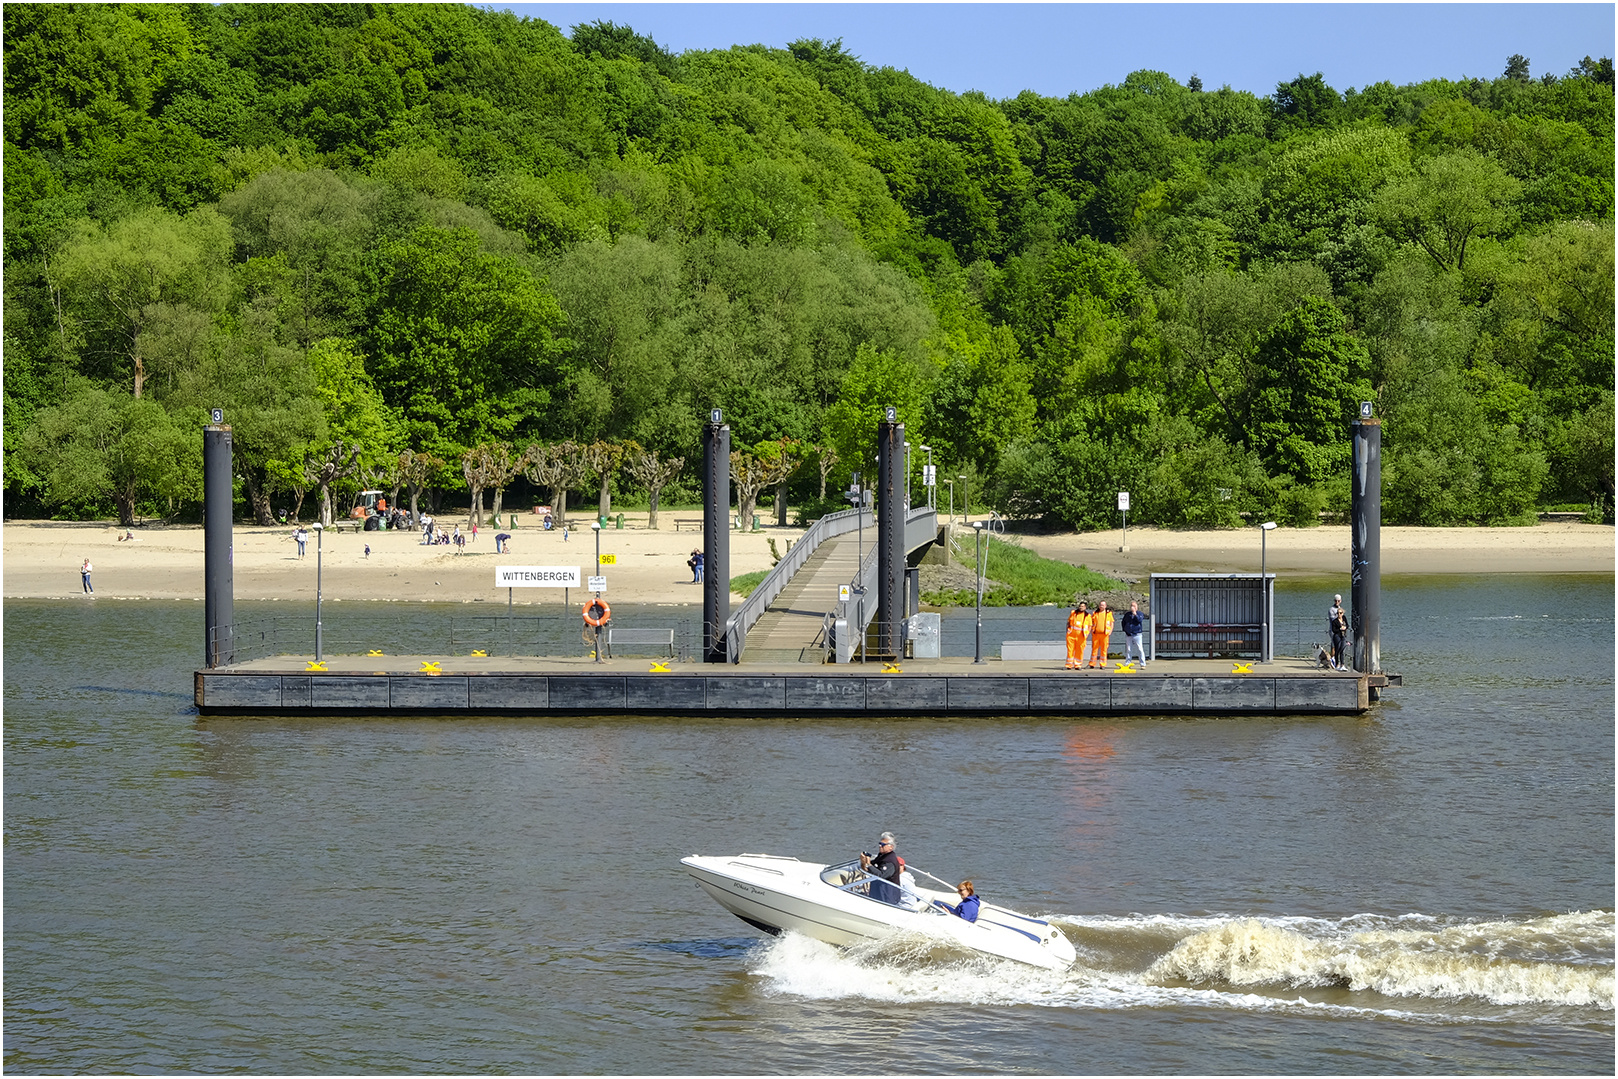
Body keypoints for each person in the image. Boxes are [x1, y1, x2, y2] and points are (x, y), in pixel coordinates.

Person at [860, 832, 902, 905]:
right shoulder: (882, 856)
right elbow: (871, 867)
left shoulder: (890, 861)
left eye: (883, 845)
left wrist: (869, 864)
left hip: (887, 897)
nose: (880, 846)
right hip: (877, 893)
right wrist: (864, 862)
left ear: (891, 847)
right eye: (880, 843)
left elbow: (881, 875)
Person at [1121, 599, 1147, 667]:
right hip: (1129, 634)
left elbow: (1139, 620)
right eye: (1132, 606)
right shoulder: (1127, 614)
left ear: (1137, 607)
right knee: (1129, 649)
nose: (1133, 607)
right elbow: (1123, 622)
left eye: (1134, 606)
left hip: (1137, 634)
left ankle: (1142, 663)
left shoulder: (1140, 614)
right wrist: (1125, 629)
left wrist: (1135, 614)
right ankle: (1127, 662)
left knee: (1140, 649)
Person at [1065, 602, 1090, 670]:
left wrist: (1087, 634)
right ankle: (1069, 665)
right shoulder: (1073, 613)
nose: (1081, 607)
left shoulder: (1087, 616)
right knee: (1070, 650)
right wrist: (1067, 630)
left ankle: (1078, 665)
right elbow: (1068, 622)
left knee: (1080, 651)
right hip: (1071, 635)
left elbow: (1089, 626)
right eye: (1080, 606)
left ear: (1085, 607)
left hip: (1081, 636)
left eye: (1082, 606)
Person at [1090, 601, 1114, 668]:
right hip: (1096, 634)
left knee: (1104, 650)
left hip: (1105, 634)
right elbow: (1091, 622)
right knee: (1094, 649)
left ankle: (1102, 664)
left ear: (1105, 606)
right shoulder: (1095, 613)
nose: (1101, 606)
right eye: (1100, 605)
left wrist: (1110, 631)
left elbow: (1111, 623)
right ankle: (1092, 663)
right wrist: (1091, 631)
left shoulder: (1108, 614)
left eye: (1103, 605)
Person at [1329, 594, 1349, 671]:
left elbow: (1347, 624)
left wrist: (1346, 627)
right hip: (1335, 633)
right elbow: (1333, 620)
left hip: (1343, 635)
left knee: (1342, 649)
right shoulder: (1331, 609)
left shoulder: (1343, 615)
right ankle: (1335, 662)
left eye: (1338, 600)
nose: (1339, 614)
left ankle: (1342, 664)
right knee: (1336, 648)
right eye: (1336, 600)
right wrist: (1340, 628)